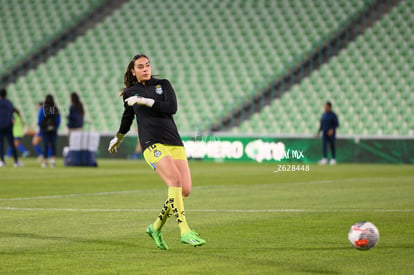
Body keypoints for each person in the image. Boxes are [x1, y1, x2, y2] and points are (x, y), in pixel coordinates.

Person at [108, 54, 206, 250]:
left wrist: (144, 100)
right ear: (133, 71)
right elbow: (127, 118)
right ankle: (185, 230)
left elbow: (172, 108)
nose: (145, 69)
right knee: (174, 181)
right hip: (152, 143)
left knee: (184, 190)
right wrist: (118, 137)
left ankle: (155, 227)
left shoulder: (163, 84)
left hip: (174, 142)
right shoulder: (130, 93)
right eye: (140, 66)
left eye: (147, 65)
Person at [0, 88, 22, 167]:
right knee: (11, 143)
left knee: (1, 144)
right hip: (8, 125)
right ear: (6, 94)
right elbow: (12, 112)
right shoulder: (8, 102)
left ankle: (2, 161)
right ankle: (16, 161)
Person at [38, 94, 61, 168]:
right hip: (53, 129)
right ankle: (53, 161)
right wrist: (55, 127)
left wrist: (42, 127)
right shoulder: (55, 109)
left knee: (45, 145)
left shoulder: (43, 108)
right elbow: (58, 120)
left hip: (44, 129)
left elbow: (39, 119)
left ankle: (45, 162)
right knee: (53, 145)